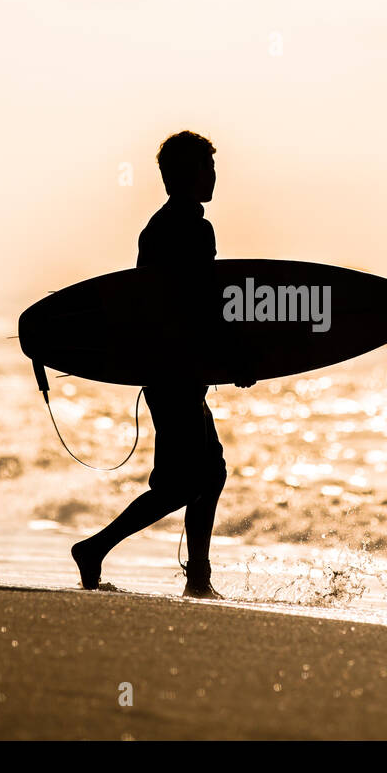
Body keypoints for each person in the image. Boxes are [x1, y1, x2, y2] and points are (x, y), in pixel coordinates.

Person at [70, 131, 253, 598]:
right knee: (193, 480)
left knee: (202, 475)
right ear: (190, 174)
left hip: (164, 370)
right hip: (177, 373)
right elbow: (201, 307)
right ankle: (102, 550)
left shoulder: (155, 229)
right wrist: (234, 360)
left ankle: (194, 576)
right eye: (208, 169)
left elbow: (151, 307)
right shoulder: (193, 229)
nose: (214, 178)